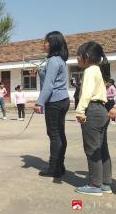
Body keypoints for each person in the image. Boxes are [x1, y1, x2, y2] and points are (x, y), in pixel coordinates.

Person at [74, 41, 113, 196]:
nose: (77, 59)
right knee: (102, 148)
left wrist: (80, 110)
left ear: (86, 56)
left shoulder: (90, 70)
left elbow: (87, 93)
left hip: (93, 110)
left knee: (91, 148)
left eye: (78, 56)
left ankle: (94, 184)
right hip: (102, 111)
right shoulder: (98, 70)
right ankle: (105, 183)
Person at [34, 31, 70, 178]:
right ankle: (60, 166)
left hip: (55, 101)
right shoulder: (60, 60)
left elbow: (48, 86)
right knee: (60, 134)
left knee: (54, 135)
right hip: (63, 100)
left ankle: (54, 168)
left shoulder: (53, 60)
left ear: (53, 43)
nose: (44, 44)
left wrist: (39, 103)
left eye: (46, 41)